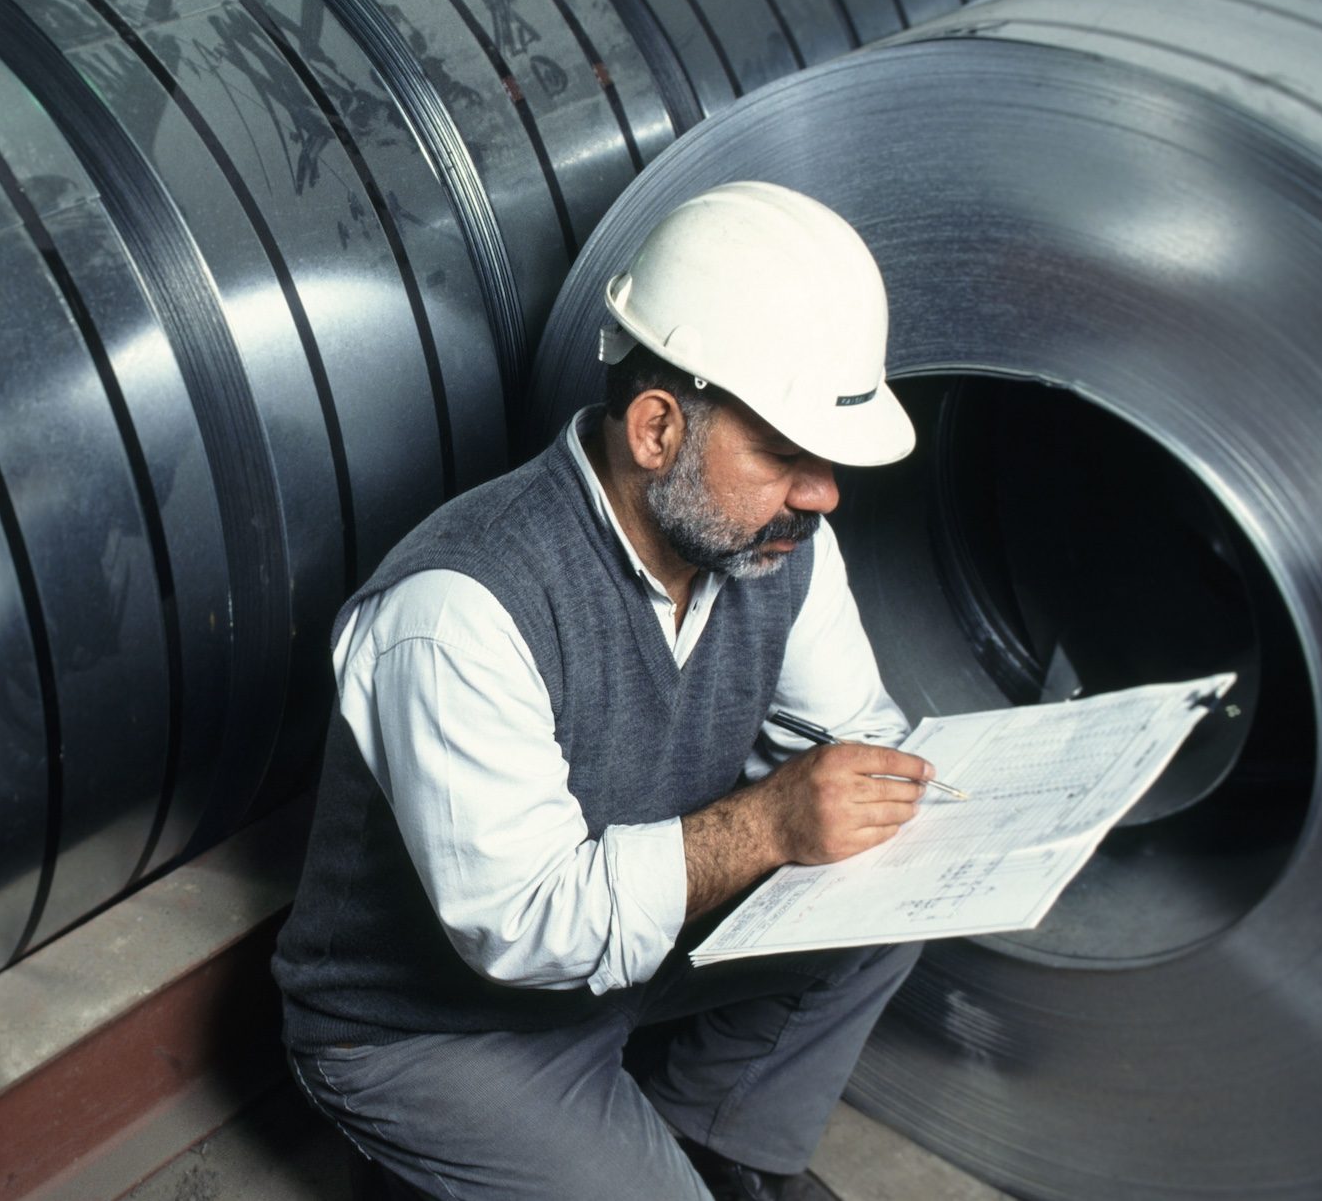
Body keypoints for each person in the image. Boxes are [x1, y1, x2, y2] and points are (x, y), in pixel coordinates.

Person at [272, 182, 938, 1201]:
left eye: (827, 461)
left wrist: (865, 799)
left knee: (887, 880)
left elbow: (854, 734)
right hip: (439, 1028)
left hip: (631, 948)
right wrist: (767, 823)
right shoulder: (461, 608)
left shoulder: (773, 543)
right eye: (784, 455)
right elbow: (527, 926)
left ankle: (720, 1142)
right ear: (658, 429)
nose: (821, 493)